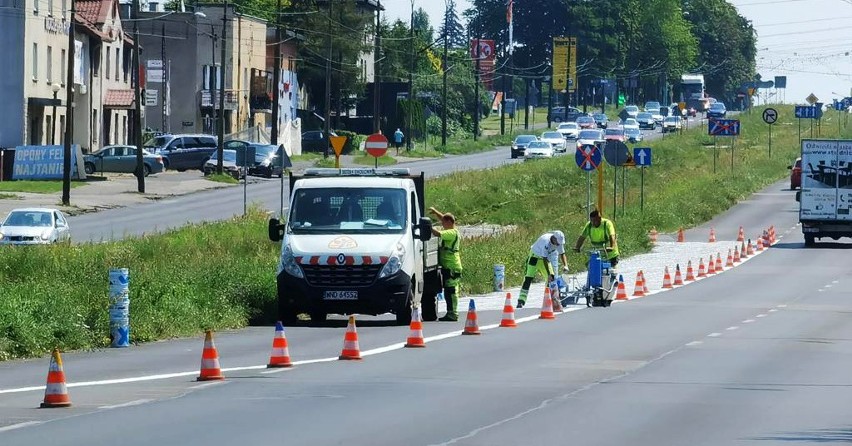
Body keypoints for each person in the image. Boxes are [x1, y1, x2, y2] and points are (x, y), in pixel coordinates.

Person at [517, 231, 569, 309]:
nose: (558, 244)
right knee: (528, 278)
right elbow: (545, 259)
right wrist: (548, 274)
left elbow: (562, 254)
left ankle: (549, 301)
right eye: (558, 243)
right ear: (554, 239)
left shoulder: (559, 242)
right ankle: (521, 301)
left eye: (560, 243)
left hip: (545, 259)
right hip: (535, 257)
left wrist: (566, 265)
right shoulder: (546, 242)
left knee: (552, 279)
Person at [429, 207, 462, 321]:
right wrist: (435, 212)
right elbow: (444, 217)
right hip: (448, 266)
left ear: (449, 222)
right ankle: (450, 312)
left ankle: (453, 313)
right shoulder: (451, 228)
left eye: (443, 222)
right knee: (448, 290)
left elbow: (437, 233)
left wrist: (428, 226)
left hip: (452, 266)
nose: (442, 224)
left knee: (451, 291)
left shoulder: (452, 232)